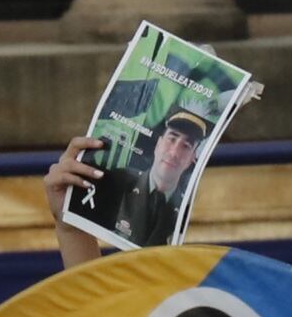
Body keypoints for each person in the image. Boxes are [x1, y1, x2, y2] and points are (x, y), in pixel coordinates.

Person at [47, 106, 214, 263]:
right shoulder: (115, 182)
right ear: (158, 144)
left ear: (193, 158)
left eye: (186, 146)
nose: (174, 152)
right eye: (172, 139)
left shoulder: (197, 212)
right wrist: (70, 226)